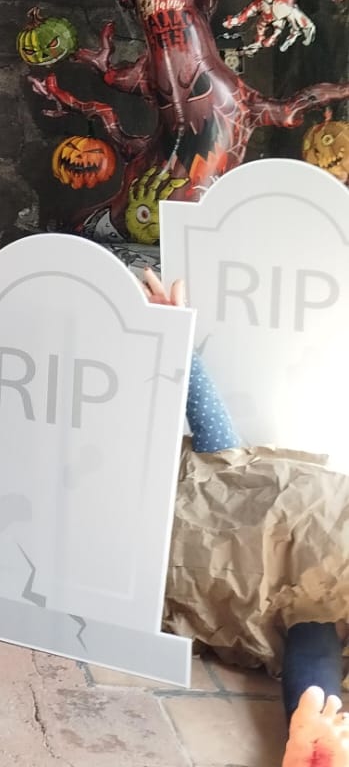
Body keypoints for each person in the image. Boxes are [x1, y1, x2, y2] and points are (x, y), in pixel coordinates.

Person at [141, 270, 349, 767]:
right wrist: (179, 342)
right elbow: (219, 445)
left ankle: (312, 725)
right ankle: (311, 724)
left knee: (316, 633)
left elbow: (219, 447)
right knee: (315, 637)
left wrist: (179, 341)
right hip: (286, 536)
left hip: (285, 537)